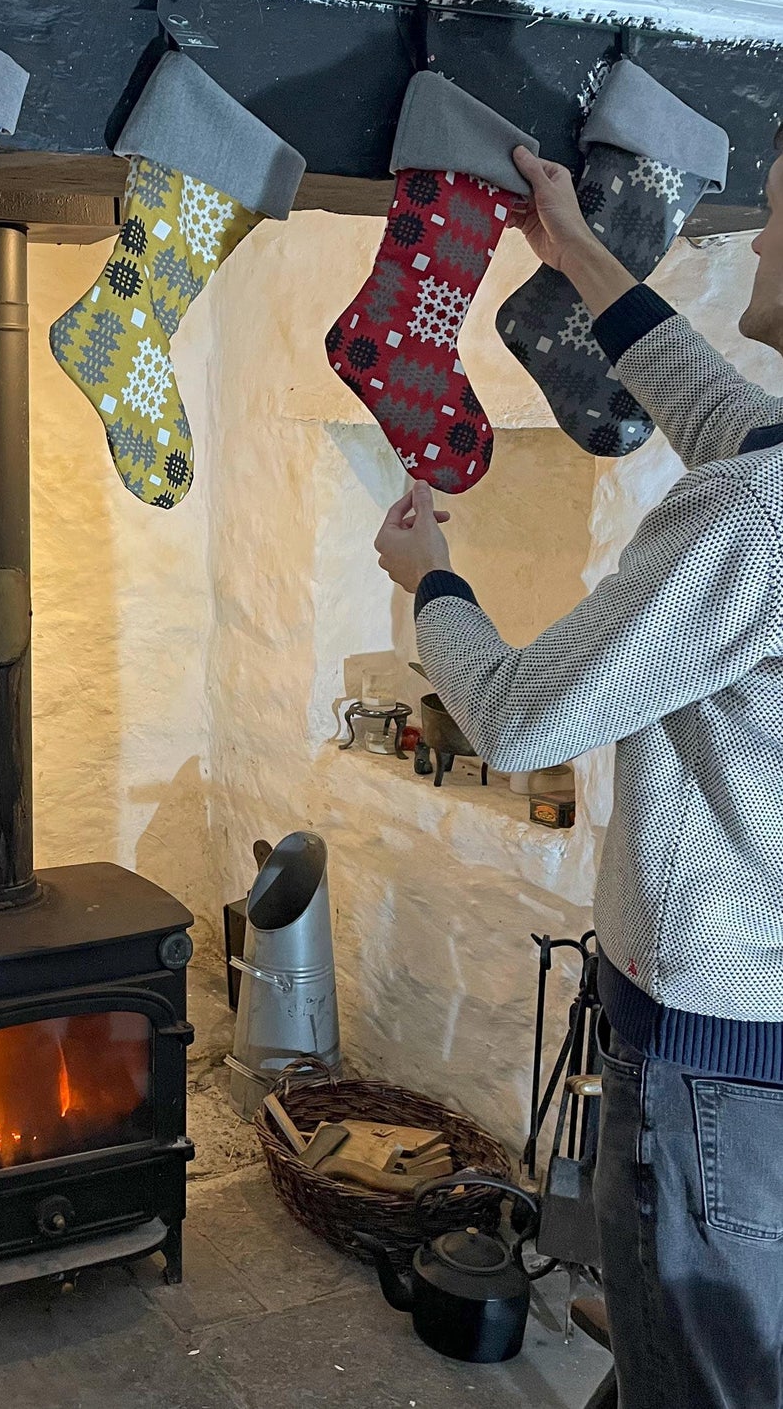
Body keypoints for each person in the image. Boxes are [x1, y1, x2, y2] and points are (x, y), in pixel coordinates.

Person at [374, 142, 783, 1409]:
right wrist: (574, 250)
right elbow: (721, 412)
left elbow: (512, 717)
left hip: (718, 1065)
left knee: (698, 1383)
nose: (759, 240)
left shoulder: (753, 522)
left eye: (778, 214)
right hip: (758, 1043)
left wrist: (429, 583)